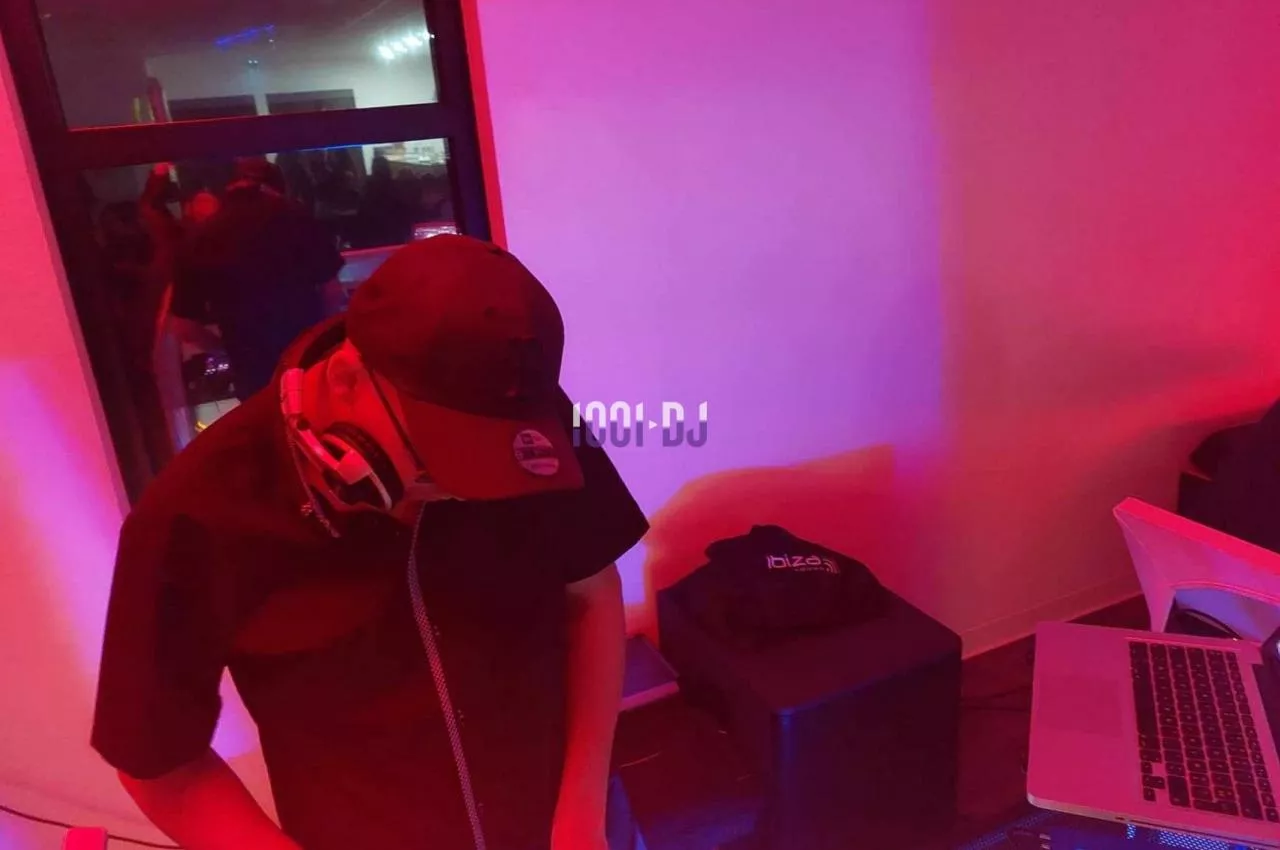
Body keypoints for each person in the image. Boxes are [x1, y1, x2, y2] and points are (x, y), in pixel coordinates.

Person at [91, 235, 649, 850]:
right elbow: (159, 764)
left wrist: (582, 815)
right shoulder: (195, 514)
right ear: (349, 379)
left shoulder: (519, 418)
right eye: (440, 465)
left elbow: (590, 590)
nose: (463, 495)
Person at [171, 157, 346, 400]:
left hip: (251, 368)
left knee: (267, 420)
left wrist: (227, 349)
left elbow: (185, 327)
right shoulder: (296, 217)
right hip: (307, 357)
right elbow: (333, 293)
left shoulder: (199, 238)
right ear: (274, 188)